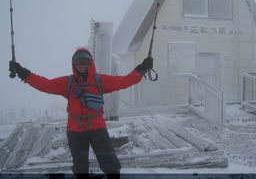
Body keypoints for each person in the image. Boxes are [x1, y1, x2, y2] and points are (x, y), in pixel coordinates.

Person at [9, 47, 153, 179]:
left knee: (108, 159)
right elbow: (45, 84)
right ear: (74, 65)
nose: (82, 66)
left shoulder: (100, 80)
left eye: (85, 63)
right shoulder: (68, 82)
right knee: (80, 164)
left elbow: (123, 81)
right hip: (75, 130)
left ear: (91, 64)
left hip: (97, 128)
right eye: (79, 63)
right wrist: (23, 72)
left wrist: (141, 68)